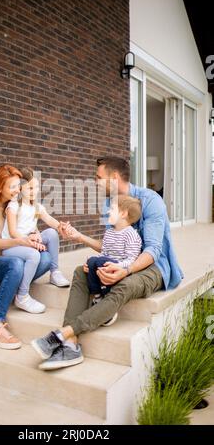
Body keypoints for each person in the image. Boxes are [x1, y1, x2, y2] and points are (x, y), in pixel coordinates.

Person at [31, 156, 184, 370]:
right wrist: (80, 238)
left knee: (126, 284)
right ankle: (71, 346)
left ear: (114, 177)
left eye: (98, 177)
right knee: (80, 272)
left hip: (154, 266)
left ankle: (64, 334)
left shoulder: (150, 200)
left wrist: (125, 270)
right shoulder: (109, 203)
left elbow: (153, 251)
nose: (95, 181)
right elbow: (109, 246)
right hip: (122, 261)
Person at [0, 163, 52, 350]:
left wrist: (34, 235)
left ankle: (1, 290)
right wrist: (22, 241)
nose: (17, 190)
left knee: (45, 259)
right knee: (17, 264)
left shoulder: (17, 204)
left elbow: (27, 227)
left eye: (18, 185)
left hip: (14, 255)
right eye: (12, 187)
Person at [0, 167, 69, 315]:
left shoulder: (36, 206)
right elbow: (13, 232)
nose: (34, 191)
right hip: (12, 245)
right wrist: (29, 239)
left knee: (52, 233)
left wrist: (61, 226)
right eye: (30, 188)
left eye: (36, 187)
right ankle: (22, 296)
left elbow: (48, 219)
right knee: (34, 255)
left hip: (27, 241)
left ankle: (54, 272)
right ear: (20, 189)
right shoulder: (14, 206)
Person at [86, 194, 142, 326]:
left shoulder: (131, 235)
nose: (107, 211)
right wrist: (93, 261)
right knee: (93, 261)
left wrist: (117, 265)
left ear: (123, 213)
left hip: (119, 268)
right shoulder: (109, 232)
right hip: (106, 264)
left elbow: (131, 260)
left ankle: (107, 301)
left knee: (101, 262)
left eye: (111, 208)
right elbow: (104, 253)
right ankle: (98, 296)